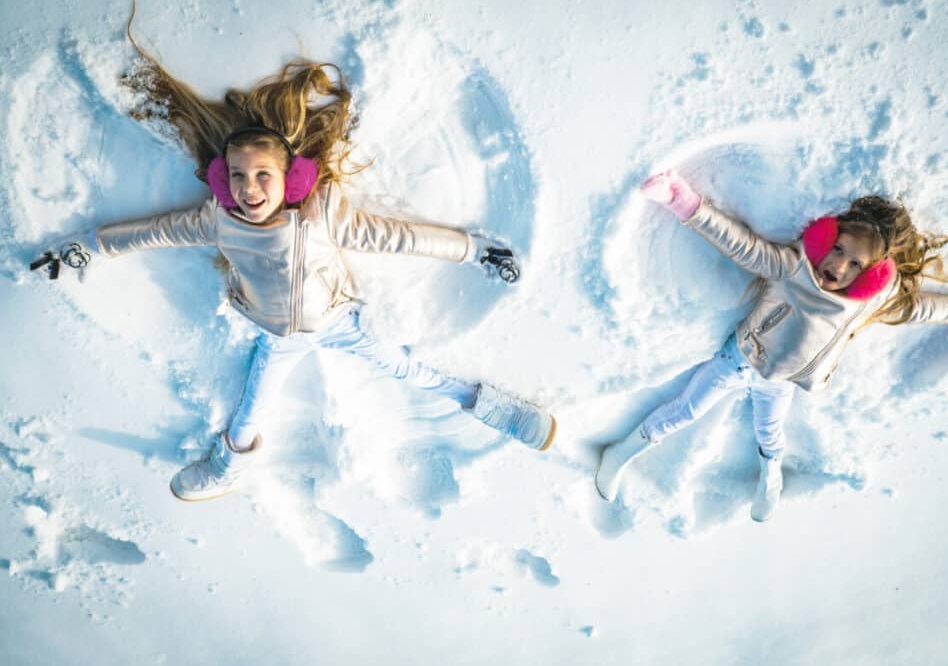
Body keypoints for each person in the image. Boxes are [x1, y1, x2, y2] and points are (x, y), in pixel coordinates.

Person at [31, 25, 556, 502]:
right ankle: (228, 468)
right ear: (223, 181)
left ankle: (497, 411)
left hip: (340, 324)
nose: (249, 188)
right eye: (238, 177)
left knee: (407, 369)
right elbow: (153, 231)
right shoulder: (220, 220)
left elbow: (399, 237)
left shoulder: (322, 214)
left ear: (292, 180)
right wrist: (86, 246)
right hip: (275, 337)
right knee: (249, 413)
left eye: (263, 175)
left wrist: (475, 250)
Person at [595, 170, 948, 521]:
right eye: (838, 248)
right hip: (737, 359)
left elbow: (922, 309)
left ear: (871, 276)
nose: (837, 265)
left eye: (854, 265)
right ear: (825, 237)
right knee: (685, 409)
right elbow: (739, 243)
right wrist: (681, 200)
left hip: (784, 381)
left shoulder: (873, 300)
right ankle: (622, 451)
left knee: (770, 433)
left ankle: (769, 475)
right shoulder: (794, 267)